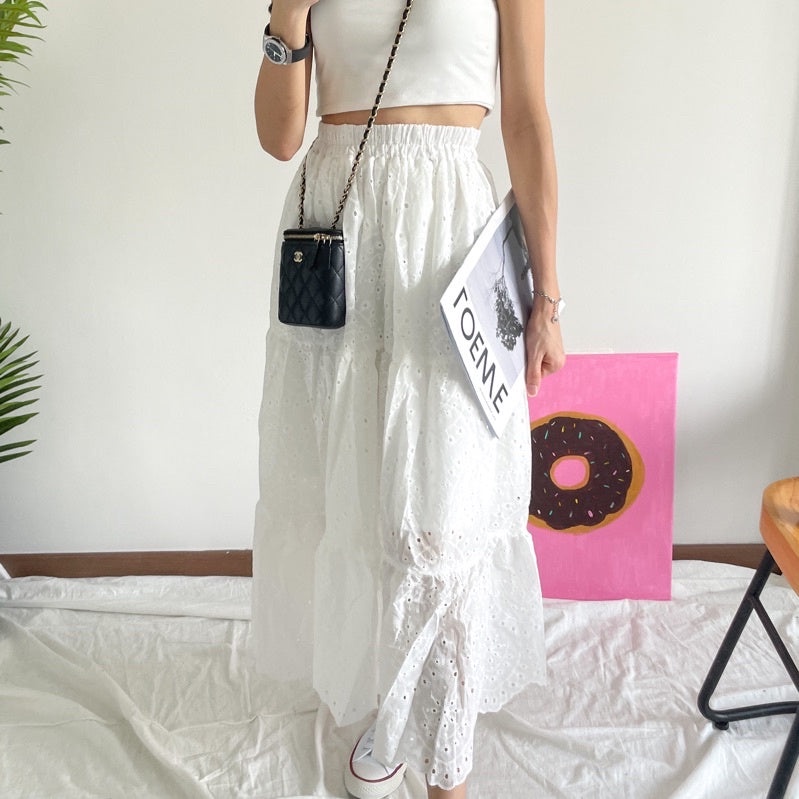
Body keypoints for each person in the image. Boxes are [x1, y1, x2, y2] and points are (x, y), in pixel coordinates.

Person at [251, 1, 565, 797]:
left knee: (442, 512)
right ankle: (384, 710)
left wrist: (547, 295)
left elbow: (525, 119)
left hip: (447, 234)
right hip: (337, 225)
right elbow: (279, 137)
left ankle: (446, 762)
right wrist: (289, 14)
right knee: (353, 487)